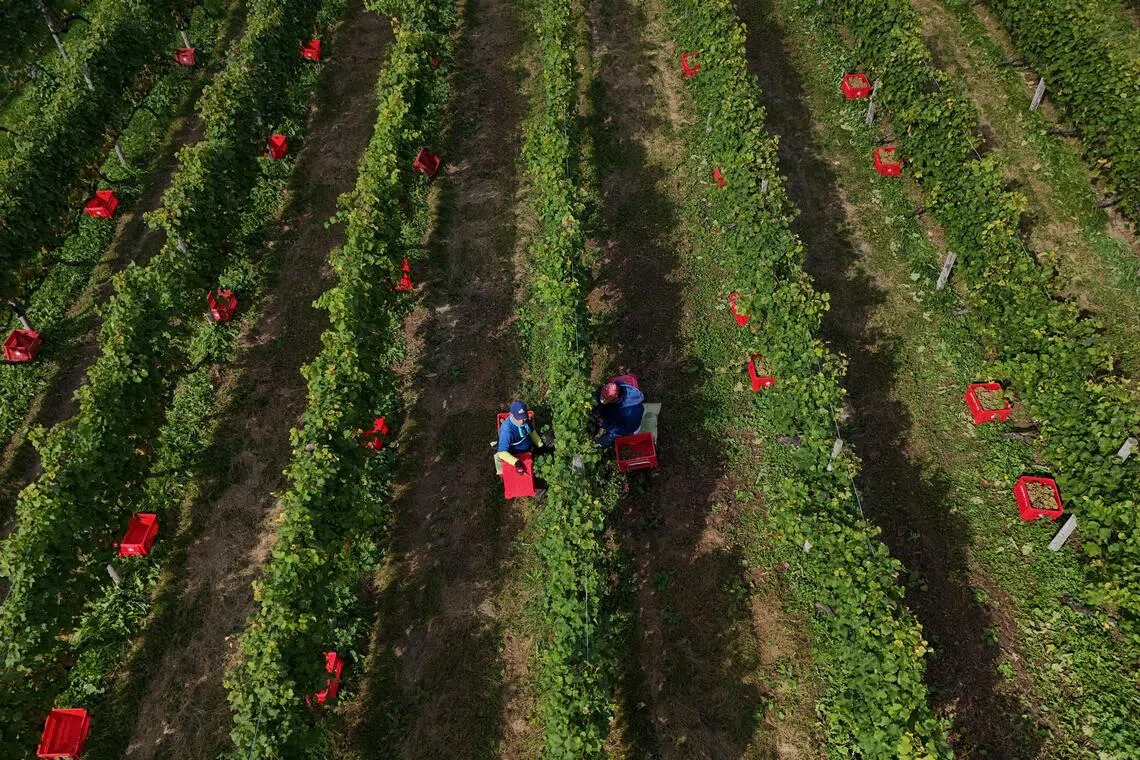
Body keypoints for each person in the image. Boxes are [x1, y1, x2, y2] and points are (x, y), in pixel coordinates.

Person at [593, 379, 645, 448]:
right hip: (614, 412)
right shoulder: (616, 386)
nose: (602, 399)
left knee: (600, 443)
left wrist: (606, 426)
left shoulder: (630, 412)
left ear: (616, 398)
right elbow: (600, 395)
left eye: (605, 399)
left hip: (625, 427)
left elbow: (627, 429)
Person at [496, 401, 543, 475]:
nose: (522, 421)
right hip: (517, 454)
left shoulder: (525, 420)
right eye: (519, 418)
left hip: (529, 448)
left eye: (524, 417)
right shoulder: (506, 431)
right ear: (511, 415)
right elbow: (502, 453)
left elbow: (532, 432)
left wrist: (540, 445)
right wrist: (516, 462)